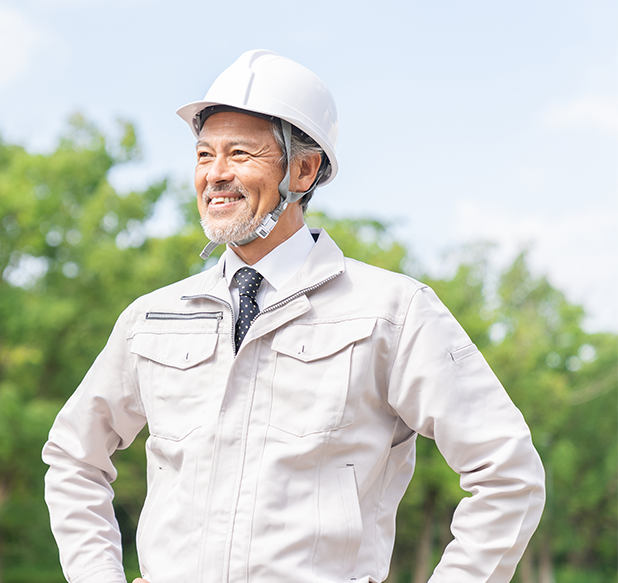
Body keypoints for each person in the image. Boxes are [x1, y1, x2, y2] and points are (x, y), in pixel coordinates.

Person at [42, 49, 545, 583]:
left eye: (239, 153)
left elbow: (507, 475)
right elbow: (75, 459)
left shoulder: (393, 311)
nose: (215, 175)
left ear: (303, 170)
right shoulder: (153, 318)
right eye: (204, 155)